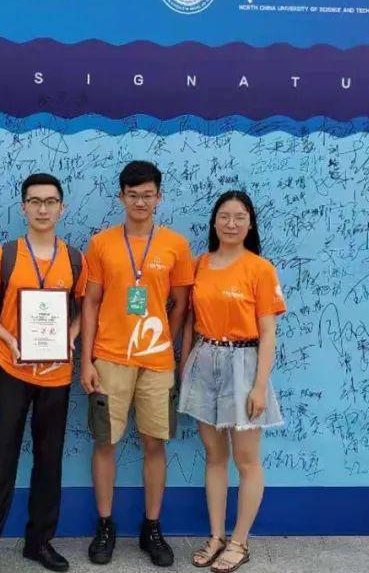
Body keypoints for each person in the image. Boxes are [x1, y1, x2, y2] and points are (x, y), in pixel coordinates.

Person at [0, 174, 87, 573]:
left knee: (49, 462)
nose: (43, 209)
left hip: (56, 374)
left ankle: (40, 543)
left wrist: (70, 336)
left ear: (61, 208)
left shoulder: (74, 258)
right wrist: (8, 337)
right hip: (11, 368)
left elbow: (86, 309)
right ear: (23, 207)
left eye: (50, 202)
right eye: (35, 201)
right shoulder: (5, 255)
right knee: (1, 460)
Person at [80, 160, 195, 567]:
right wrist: (86, 360)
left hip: (157, 362)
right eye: (133, 195)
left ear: (159, 196)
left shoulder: (176, 245)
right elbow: (90, 302)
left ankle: (152, 527)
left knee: (154, 443)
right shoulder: (101, 243)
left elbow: (181, 304)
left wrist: (163, 340)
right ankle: (105, 525)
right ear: (121, 197)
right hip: (109, 357)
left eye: (148, 195)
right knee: (105, 441)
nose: (140, 202)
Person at [178, 190, 286, 573]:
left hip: (244, 364)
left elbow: (268, 333)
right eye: (224, 216)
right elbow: (189, 323)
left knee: (246, 459)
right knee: (214, 455)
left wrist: (259, 386)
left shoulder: (260, 268)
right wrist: (184, 368)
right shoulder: (199, 264)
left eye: (240, 217)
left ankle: (239, 541)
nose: (231, 223)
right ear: (214, 221)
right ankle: (216, 536)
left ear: (250, 223)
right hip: (204, 360)